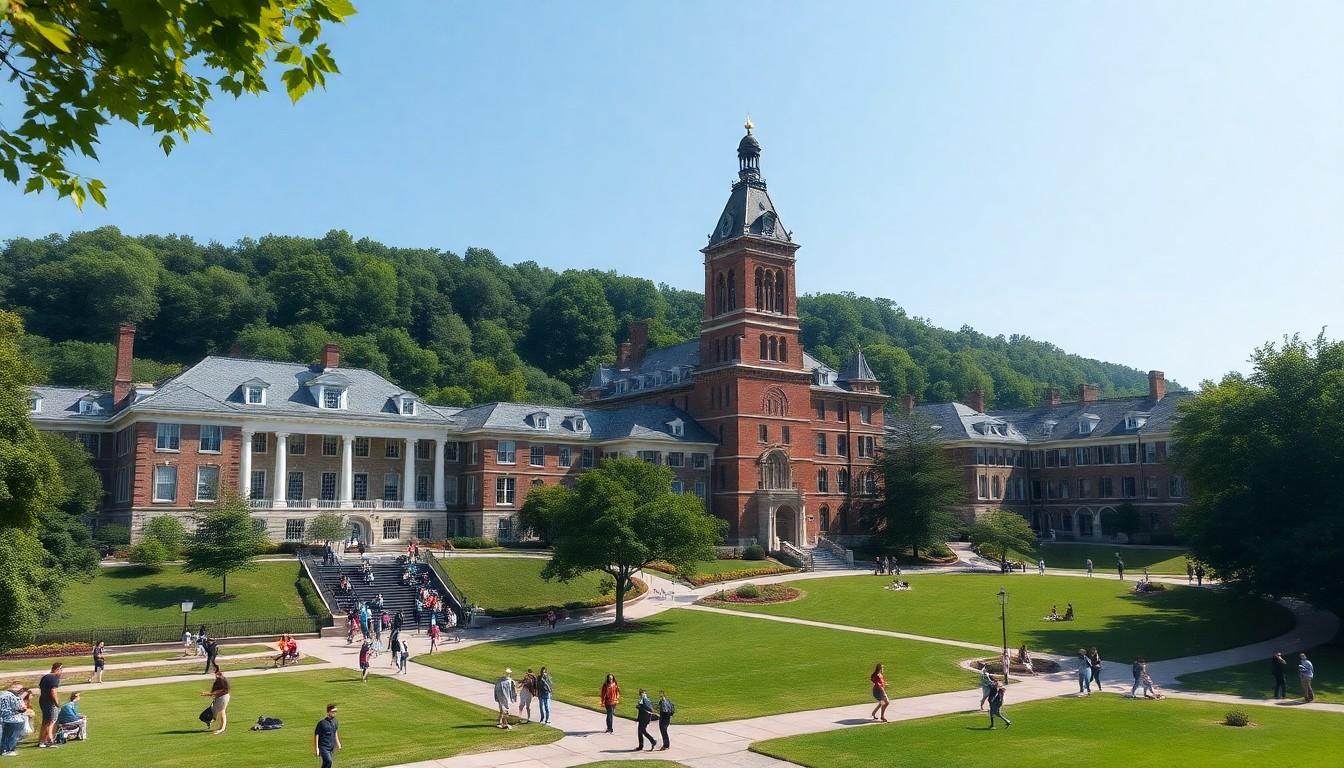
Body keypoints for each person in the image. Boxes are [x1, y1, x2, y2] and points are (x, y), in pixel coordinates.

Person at [0, 681, 31, 756]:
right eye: (20, 689)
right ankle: (9, 750)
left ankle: (3, 750)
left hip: (4, 718)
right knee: (12, 736)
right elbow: (19, 707)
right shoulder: (14, 696)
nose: (21, 691)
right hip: (14, 719)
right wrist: (24, 708)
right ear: (16, 687)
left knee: (5, 736)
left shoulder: (2, 694)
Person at [37, 662, 61, 748]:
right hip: (50, 702)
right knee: (51, 722)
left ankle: (42, 741)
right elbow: (53, 691)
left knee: (45, 721)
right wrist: (57, 703)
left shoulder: (45, 677)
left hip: (43, 700)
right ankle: (49, 740)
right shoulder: (54, 678)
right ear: (58, 669)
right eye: (61, 670)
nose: (61, 672)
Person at [201, 665, 230, 734]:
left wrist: (209, 694)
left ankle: (222, 728)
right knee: (215, 711)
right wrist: (209, 694)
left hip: (223, 697)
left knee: (222, 711)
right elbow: (216, 690)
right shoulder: (218, 678)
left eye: (212, 669)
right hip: (220, 697)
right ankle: (212, 723)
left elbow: (223, 689)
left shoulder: (220, 678)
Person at [313, 703, 341, 768]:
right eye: (333, 711)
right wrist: (317, 748)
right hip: (324, 747)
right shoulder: (322, 723)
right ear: (328, 712)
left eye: (336, 711)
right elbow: (317, 735)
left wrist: (338, 743)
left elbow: (335, 732)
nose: (335, 713)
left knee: (326, 763)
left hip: (331, 747)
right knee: (329, 761)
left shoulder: (335, 722)